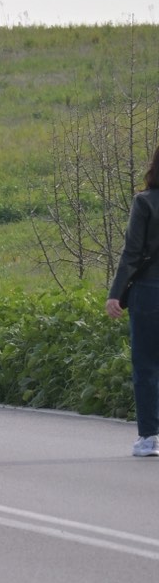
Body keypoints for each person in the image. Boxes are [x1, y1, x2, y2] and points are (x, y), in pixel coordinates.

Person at [108, 143, 159, 457]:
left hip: (149, 292)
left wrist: (116, 294)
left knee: (146, 365)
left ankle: (150, 438)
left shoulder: (145, 203)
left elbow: (132, 253)